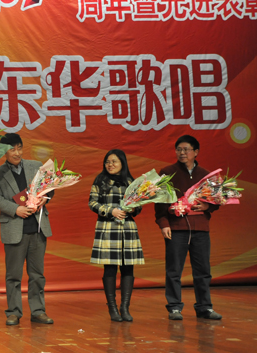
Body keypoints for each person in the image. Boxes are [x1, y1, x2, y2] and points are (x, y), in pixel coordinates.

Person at [0, 133, 54, 326]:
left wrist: (45, 198)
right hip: (14, 228)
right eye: (12, 149)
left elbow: (49, 187)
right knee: (13, 275)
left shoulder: (36, 166)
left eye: (19, 148)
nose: (17, 153)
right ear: (4, 152)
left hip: (38, 227)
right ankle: (14, 312)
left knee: (37, 274)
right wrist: (15, 209)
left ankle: (38, 311)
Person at [155, 135, 222, 321]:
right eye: (179, 149)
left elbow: (216, 200)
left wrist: (208, 207)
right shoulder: (167, 173)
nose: (182, 153)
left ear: (196, 152)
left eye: (186, 149)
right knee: (174, 270)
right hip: (176, 227)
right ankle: (174, 307)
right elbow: (159, 201)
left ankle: (204, 307)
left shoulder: (206, 175)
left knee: (203, 271)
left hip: (200, 228)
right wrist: (164, 224)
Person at [88, 149, 144, 322]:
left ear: (122, 163)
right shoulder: (100, 180)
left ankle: (125, 307)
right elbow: (92, 202)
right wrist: (110, 211)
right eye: (107, 162)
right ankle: (112, 307)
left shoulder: (131, 181)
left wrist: (133, 208)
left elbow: (139, 205)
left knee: (128, 267)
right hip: (108, 227)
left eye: (114, 161)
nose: (110, 165)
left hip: (127, 228)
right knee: (110, 268)